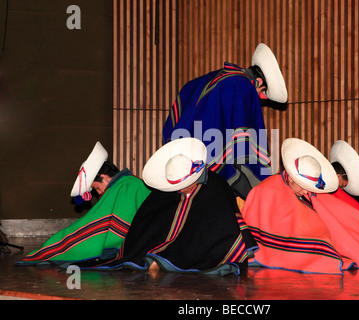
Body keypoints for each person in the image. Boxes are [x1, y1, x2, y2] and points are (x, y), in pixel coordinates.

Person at [74, 138, 258, 276]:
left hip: (204, 243)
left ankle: (170, 260)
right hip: (173, 246)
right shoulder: (164, 192)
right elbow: (147, 221)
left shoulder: (216, 186)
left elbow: (220, 225)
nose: (178, 190)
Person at [163, 43, 288, 199]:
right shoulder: (243, 86)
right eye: (261, 92)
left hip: (181, 167)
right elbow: (243, 140)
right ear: (259, 82)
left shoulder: (199, 83)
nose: (260, 98)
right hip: (214, 179)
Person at [17, 142, 151, 266]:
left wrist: (61, 243)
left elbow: (101, 222)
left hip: (141, 243)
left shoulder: (123, 187)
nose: (99, 194)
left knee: (76, 236)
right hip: (148, 237)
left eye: (97, 188)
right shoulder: (131, 182)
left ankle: (52, 249)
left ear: (104, 177)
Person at [241, 138, 353, 275]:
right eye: (304, 186)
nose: (307, 192)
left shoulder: (298, 189)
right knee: (320, 248)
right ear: (292, 178)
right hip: (274, 249)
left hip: (300, 241)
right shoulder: (266, 191)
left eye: (309, 187)